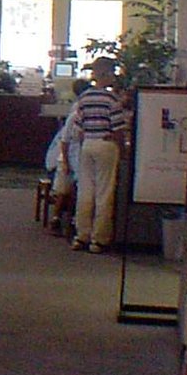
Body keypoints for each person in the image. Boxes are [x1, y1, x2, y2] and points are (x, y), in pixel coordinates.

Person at [70, 59, 128, 253]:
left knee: (85, 191)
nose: (114, 77)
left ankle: (81, 236)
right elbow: (118, 129)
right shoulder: (111, 99)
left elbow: (78, 128)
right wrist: (123, 150)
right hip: (106, 145)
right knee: (104, 193)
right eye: (112, 73)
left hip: (87, 144)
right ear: (106, 74)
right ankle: (99, 239)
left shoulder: (84, 98)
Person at [44, 79, 91, 237]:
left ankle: (73, 220)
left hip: (79, 156)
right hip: (67, 155)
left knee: (78, 187)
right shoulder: (75, 114)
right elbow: (65, 141)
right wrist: (65, 162)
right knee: (65, 187)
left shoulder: (81, 111)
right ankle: (57, 219)